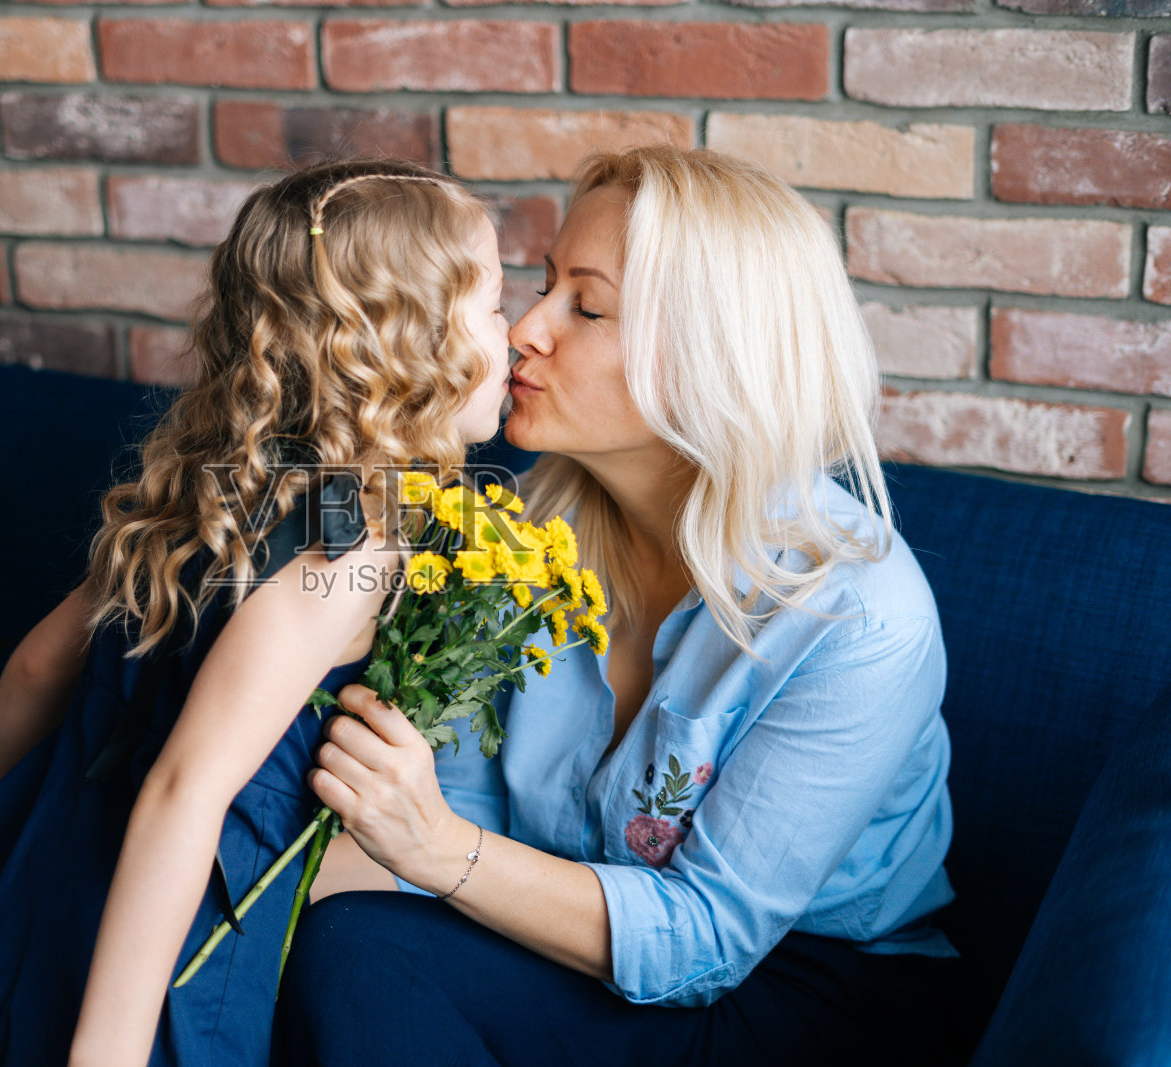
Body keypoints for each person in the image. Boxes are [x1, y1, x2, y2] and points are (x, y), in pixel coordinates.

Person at [271, 146, 984, 1067]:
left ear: (711, 355)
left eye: (588, 305)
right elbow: (454, 816)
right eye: (541, 285)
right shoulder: (520, 533)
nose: (524, 329)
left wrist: (437, 850)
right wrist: (237, 888)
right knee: (310, 937)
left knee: (359, 953)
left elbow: (708, 940)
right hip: (558, 930)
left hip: (808, 987)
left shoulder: (859, 615)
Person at [0, 157, 511, 1067]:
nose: (515, 338)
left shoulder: (219, 485)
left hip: (51, 872)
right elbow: (186, 787)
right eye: (498, 308)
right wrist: (109, 1049)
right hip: (164, 942)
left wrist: (2, 812)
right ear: (412, 341)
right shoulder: (350, 545)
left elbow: (41, 664)